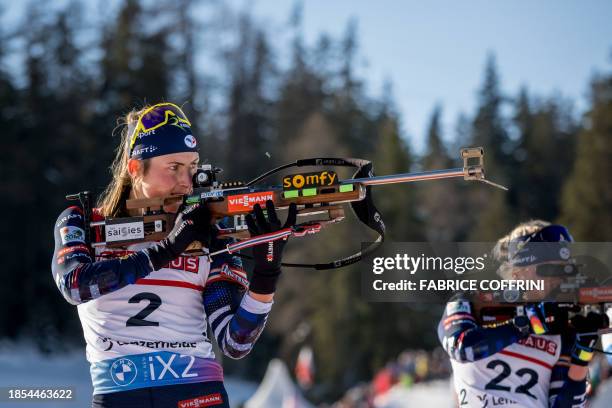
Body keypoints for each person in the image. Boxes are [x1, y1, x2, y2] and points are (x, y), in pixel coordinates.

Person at [51, 102, 297, 408]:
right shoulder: (85, 223)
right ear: (135, 168)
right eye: (173, 167)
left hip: (197, 394)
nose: (186, 181)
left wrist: (266, 275)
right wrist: (169, 248)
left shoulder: (208, 231)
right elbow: (74, 284)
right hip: (121, 394)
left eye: (192, 167)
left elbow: (235, 341)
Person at [438, 220, 609, 407]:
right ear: (518, 273)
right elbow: (462, 346)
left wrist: (583, 353)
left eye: (565, 271)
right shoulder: (471, 302)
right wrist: (528, 323)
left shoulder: (560, 328)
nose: (559, 278)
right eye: (550, 269)